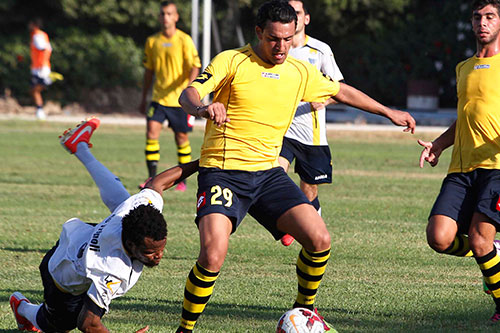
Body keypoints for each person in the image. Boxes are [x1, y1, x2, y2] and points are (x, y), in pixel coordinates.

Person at [175, 1, 415, 332]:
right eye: (274, 39)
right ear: (259, 32)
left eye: (288, 39)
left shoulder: (299, 71)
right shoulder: (231, 61)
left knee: (319, 239)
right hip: (224, 172)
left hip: (269, 176)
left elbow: (341, 91)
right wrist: (203, 108)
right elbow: (188, 93)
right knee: (213, 255)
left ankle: (304, 313)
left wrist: (389, 112)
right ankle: (185, 329)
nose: (282, 47)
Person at [9, 118, 199, 332]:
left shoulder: (141, 210)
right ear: (130, 244)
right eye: (149, 252)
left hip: (80, 238)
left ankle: (79, 146)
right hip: (61, 275)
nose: (158, 256)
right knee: (59, 324)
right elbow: (88, 323)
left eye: (161, 248)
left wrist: (202, 163)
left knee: (123, 202)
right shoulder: (113, 268)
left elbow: (157, 183)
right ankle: (23, 308)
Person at [418, 0, 500, 323]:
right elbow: (464, 118)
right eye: (478, 17)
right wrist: (438, 145)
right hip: (461, 169)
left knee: (480, 240)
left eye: (490, 17)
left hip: (496, 168)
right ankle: (493, 252)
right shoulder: (463, 67)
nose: (483, 23)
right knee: (438, 237)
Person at [278, 0, 344, 246]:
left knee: (310, 191)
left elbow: (339, 89)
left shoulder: (320, 50)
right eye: (289, 13)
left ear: (305, 19)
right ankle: (287, 221)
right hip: (282, 132)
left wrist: (324, 101)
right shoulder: (277, 50)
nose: (293, 17)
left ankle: (313, 221)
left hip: (312, 136)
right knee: (275, 174)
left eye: (297, 13)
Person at [139, 0, 201, 192]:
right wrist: (143, 97)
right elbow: (149, 72)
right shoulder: (152, 41)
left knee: (181, 138)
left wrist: (189, 89)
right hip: (158, 98)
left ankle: (182, 181)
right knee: (151, 133)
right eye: (162, 14)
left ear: (176, 17)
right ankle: (151, 177)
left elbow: (195, 66)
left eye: (169, 14)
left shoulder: (184, 40)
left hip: (178, 101)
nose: (165, 17)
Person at [29, 18, 52, 120]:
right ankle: (40, 110)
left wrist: (42, 65)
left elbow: (43, 48)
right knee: (35, 89)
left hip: (40, 68)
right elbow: (49, 48)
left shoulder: (37, 35)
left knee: (35, 90)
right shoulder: (43, 34)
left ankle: (40, 110)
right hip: (40, 67)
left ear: (34, 25)